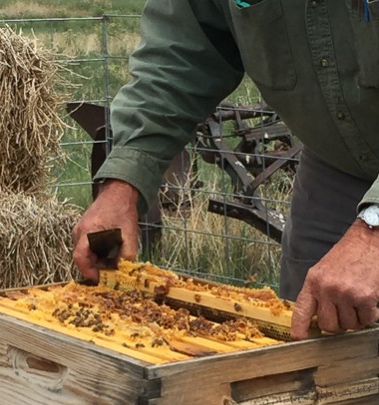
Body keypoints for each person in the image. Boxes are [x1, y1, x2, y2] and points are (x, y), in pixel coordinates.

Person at [72, 0, 379, 340]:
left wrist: (373, 231)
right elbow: (180, 57)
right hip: (335, 166)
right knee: (306, 350)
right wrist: (122, 185)